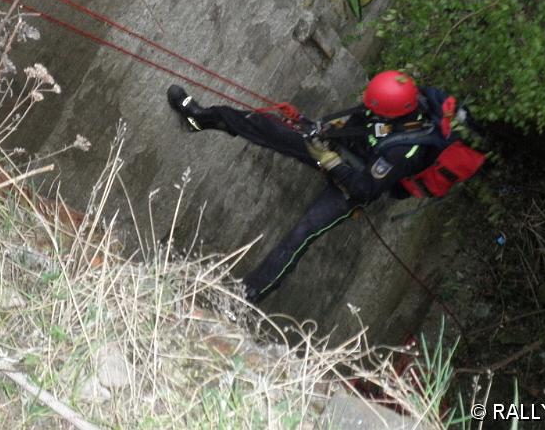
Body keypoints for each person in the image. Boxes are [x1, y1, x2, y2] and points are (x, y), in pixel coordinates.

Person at [166, 70, 484, 303]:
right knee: (262, 126)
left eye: (376, 109)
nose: (370, 110)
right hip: (341, 153)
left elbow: (364, 189)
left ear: (397, 113)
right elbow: (357, 119)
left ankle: (243, 298)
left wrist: (329, 161)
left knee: (302, 233)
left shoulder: (407, 150)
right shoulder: (392, 107)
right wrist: (311, 125)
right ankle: (200, 118)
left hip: (357, 182)